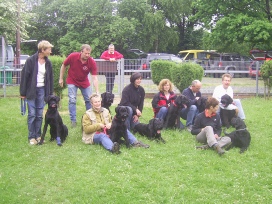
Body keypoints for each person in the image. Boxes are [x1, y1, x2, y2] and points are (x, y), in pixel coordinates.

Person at [82, 93, 149, 154]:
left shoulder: (105, 111)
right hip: (93, 135)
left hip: (108, 132)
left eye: (99, 101)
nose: (97, 103)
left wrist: (110, 124)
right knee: (102, 136)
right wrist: (98, 125)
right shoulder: (87, 114)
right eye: (95, 102)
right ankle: (113, 148)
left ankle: (135, 143)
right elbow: (86, 129)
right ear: (91, 103)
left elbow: (111, 121)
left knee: (124, 129)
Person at [20, 40, 54, 145]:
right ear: (43, 50)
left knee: (39, 115)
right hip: (31, 90)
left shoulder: (48, 63)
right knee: (32, 114)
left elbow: (50, 79)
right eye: (49, 49)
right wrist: (23, 92)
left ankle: (38, 136)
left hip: (42, 90)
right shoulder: (30, 60)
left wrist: (50, 93)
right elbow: (25, 77)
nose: (50, 51)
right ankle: (32, 136)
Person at [59, 44, 99, 128]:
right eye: (86, 53)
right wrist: (61, 78)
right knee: (72, 99)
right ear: (81, 52)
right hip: (72, 80)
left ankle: (90, 118)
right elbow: (64, 65)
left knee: (89, 99)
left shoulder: (91, 62)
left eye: (89, 53)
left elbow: (94, 78)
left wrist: (97, 91)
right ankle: (73, 121)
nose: (88, 55)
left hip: (84, 81)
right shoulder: (73, 56)